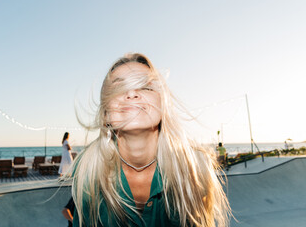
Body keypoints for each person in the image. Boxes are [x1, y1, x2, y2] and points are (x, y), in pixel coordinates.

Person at [69, 53, 231, 226]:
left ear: (163, 104)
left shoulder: (194, 167)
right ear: (106, 113)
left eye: (145, 86)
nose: (131, 94)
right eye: (119, 88)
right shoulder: (88, 169)